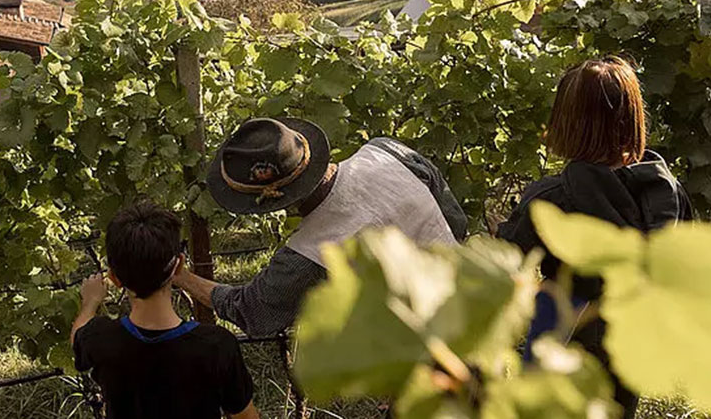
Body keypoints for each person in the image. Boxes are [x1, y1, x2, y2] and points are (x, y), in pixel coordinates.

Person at [497, 56, 693, 419]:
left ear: (567, 122)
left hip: (564, 331)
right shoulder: (669, 192)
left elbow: (504, 260)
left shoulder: (553, 199)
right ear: (633, 118)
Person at [173, 117, 467, 337]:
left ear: (268, 203)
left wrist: (180, 276)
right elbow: (456, 221)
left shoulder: (308, 255)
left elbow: (252, 312)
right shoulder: (385, 150)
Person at [71, 201, 259, 419]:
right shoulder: (216, 345)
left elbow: (77, 335)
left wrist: (91, 302)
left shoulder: (100, 339)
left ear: (114, 278)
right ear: (178, 265)